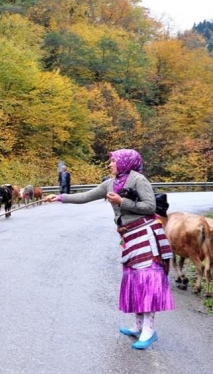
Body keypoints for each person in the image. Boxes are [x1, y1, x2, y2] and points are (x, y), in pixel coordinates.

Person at [45, 149, 174, 350]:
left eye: (113, 161)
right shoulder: (110, 183)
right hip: (129, 237)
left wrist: (122, 202)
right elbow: (85, 197)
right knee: (135, 280)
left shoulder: (139, 180)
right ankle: (138, 326)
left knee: (147, 281)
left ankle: (149, 330)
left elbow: (150, 207)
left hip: (145, 234)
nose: (110, 164)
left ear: (124, 162)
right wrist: (60, 197)